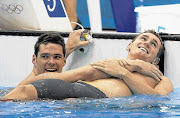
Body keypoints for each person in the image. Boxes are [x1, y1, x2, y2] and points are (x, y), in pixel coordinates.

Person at [3, 30, 173, 100]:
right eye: (143, 38)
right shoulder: (112, 63)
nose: (147, 43)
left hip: (93, 101)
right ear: (129, 45)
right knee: (21, 92)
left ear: (156, 61)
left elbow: (156, 100)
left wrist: (124, 74)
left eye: (154, 44)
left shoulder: (160, 79)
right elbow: (70, 76)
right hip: (78, 91)